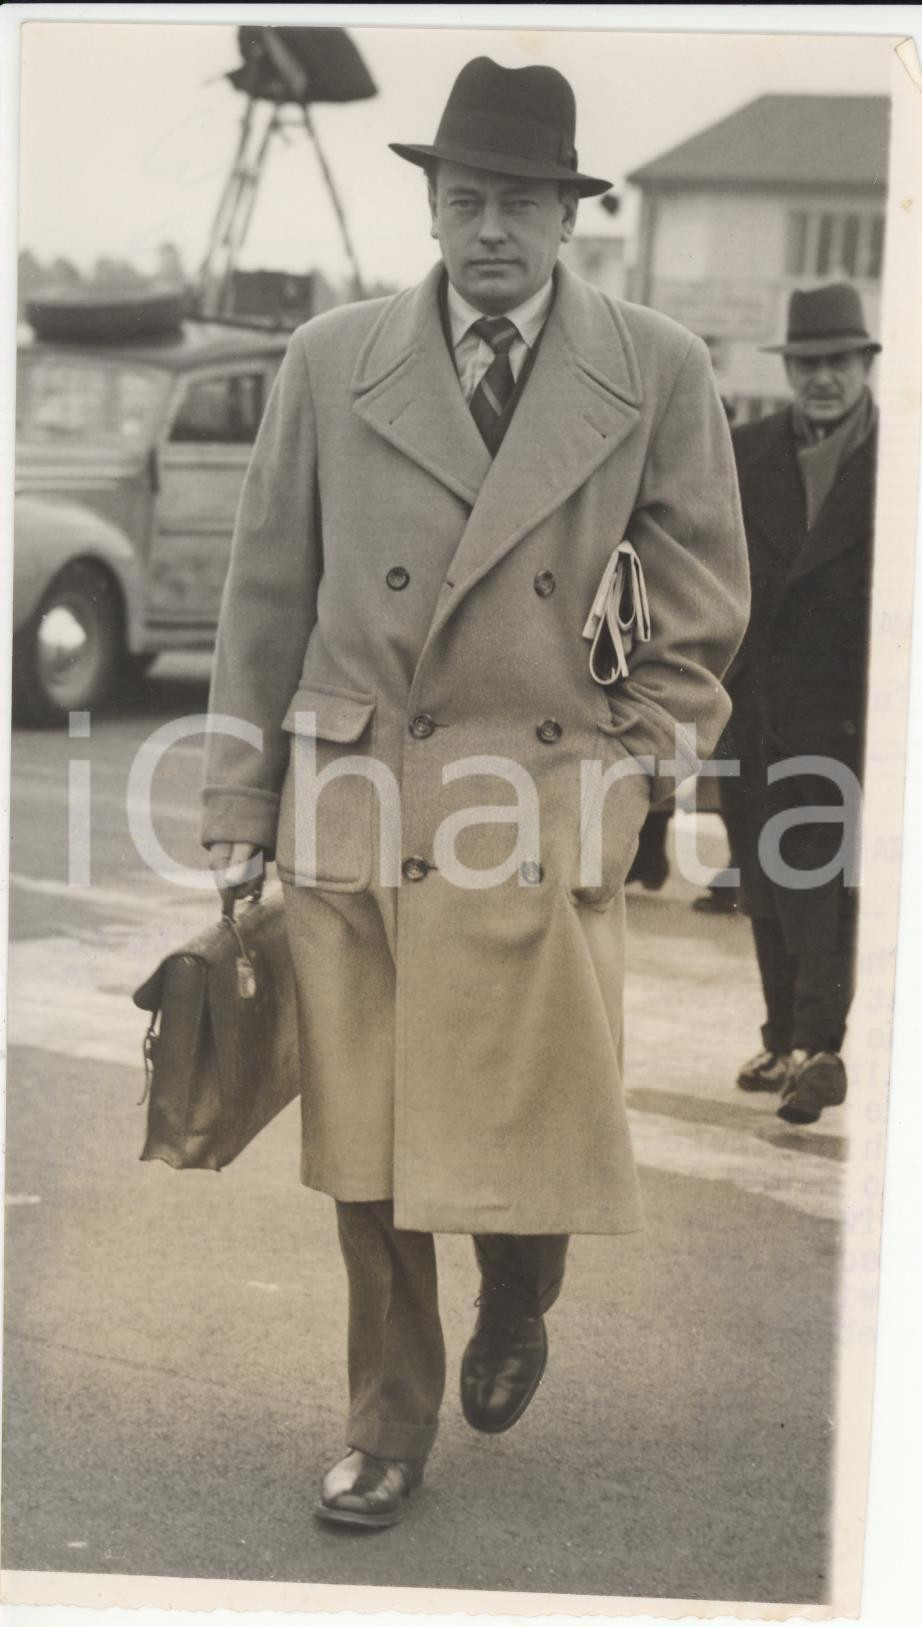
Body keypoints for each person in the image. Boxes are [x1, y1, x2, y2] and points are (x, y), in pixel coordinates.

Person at [201, 56, 749, 1529]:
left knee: (527, 1136)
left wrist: (640, 759)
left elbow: (700, 601)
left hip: (542, 806)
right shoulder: (329, 359)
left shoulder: (657, 368)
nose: (487, 226)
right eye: (463, 198)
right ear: (431, 208)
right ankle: (386, 1421)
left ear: (568, 214)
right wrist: (237, 813)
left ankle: (521, 1290)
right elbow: (264, 600)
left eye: (516, 199)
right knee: (369, 1151)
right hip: (356, 803)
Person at [727, 283, 879, 1124]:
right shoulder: (745, 450)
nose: (824, 379)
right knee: (761, 876)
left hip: (843, 708)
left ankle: (821, 1049)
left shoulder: (898, 459)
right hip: (751, 703)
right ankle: (783, 1035)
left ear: (864, 366)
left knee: (819, 876)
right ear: (791, 369)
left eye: (839, 363)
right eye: (809, 364)